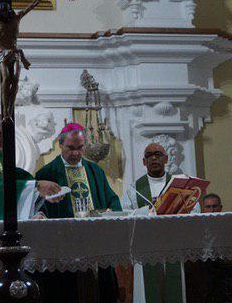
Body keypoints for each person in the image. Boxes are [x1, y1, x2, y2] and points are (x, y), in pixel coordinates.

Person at [35, 123, 121, 301]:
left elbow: (111, 199)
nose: (75, 153)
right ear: (60, 145)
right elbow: (38, 207)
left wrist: (112, 211)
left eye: (80, 148)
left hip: (96, 240)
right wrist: (40, 214)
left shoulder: (95, 171)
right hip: (63, 243)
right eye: (71, 148)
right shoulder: (47, 173)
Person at [133, 142, 182, 303]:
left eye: (158, 154)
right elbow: (127, 216)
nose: (154, 158)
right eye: (149, 155)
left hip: (174, 245)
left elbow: (193, 210)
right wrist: (148, 210)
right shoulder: (134, 189)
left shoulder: (179, 186)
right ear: (144, 161)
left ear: (166, 159)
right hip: (146, 247)